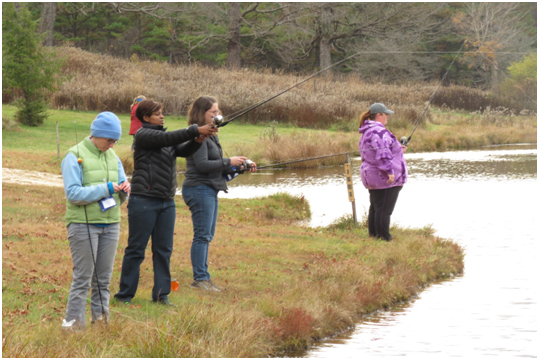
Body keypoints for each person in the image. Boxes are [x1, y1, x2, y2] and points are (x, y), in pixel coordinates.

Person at [114, 99, 217, 305]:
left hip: (166, 202)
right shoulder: (143, 135)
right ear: (145, 118)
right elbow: (171, 137)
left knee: (163, 250)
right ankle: (125, 295)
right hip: (144, 200)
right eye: (157, 113)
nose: (162, 116)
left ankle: (161, 295)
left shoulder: (164, 137)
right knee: (136, 249)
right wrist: (195, 129)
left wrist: (197, 140)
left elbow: (182, 150)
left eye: (162, 112)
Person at [61, 112, 130, 330]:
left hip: (111, 224)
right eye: (109, 140)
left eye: (115, 141)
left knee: (103, 279)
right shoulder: (74, 156)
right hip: (83, 225)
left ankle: (101, 324)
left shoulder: (114, 157)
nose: (112, 144)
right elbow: (73, 193)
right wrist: (106, 189)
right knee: (83, 278)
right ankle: (72, 326)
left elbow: (120, 186)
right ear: (97, 134)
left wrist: (125, 189)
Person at [182, 95, 257, 292]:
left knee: (207, 235)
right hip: (198, 189)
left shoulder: (213, 135)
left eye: (218, 112)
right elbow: (202, 165)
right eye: (213, 112)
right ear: (201, 114)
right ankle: (199, 280)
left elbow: (218, 168)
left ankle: (204, 278)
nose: (217, 116)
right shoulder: (198, 136)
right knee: (202, 236)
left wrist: (241, 167)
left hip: (209, 189)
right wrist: (228, 161)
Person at [358, 103, 408, 241]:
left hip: (372, 176)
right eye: (385, 114)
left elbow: (381, 150)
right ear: (379, 115)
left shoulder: (368, 130)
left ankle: (374, 237)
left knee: (376, 207)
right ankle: (384, 238)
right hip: (383, 178)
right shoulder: (378, 131)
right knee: (384, 210)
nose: (387, 117)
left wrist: (398, 150)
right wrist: (390, 173)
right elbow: (382, 153)